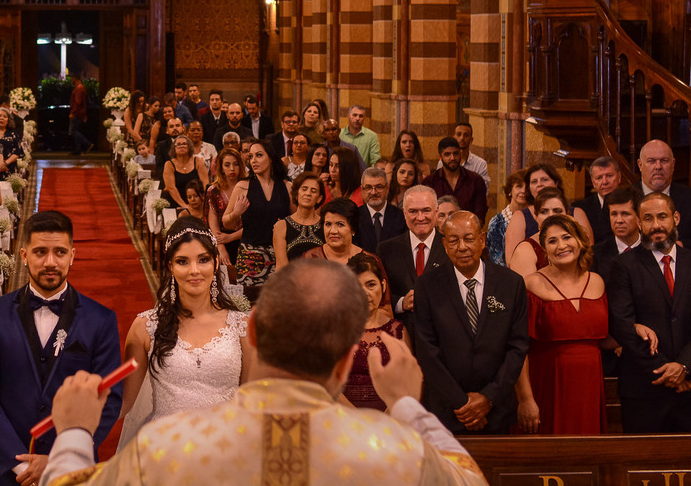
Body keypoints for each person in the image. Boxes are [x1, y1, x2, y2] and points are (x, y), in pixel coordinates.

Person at [39, 259, 487, 486]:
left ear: (251, 330)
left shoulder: (166, 447)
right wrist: (407, 406)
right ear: (345, 360)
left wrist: (75, 431)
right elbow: (468, 478)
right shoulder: (392, 452)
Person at [0, 210, 122, 486]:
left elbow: (109, 400)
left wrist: (57, 461)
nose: (50, 262)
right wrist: (20, 465)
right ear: (24, 255)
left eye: (60, 252)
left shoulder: (100, 320)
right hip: (5, 470)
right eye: (40, 252)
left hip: (71, 472)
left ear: (72, 255)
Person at [118, 218, 251, 441]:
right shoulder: (145, 327)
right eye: (182, 261)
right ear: (170, 266)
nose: (194, 270)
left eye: (203, 260)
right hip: (165, 446)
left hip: (224, 447)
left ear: (215, 262)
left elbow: (249, 404)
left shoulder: (242, 327)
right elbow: (124, 402)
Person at [415, 211, 528, 434]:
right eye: (454, 241)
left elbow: (517, 347)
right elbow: (427, 351)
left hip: (496, 410)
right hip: (447, 411)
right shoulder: (427, 285)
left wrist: (488, 398)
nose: (462, 247)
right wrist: (462, 404)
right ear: (444, 245)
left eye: (469, 238)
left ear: (482, 240)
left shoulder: (511, 284)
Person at [513, 213, 608, 435]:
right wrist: (525, 398)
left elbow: (608, 336)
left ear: (580, 241)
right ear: (544, 250)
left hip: (589, 384)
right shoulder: (531, 284)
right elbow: (517, 348)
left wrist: (637, 327)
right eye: (552, 241)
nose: (561, 245)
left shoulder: (597, 281)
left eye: (567, 237)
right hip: (547, 381)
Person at [606, 191, 691, 432]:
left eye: (662, 216)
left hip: (689, 386)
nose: (656, 226)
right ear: (639, 223)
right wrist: (666, 371)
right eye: (648, 218)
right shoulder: (623, 265)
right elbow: (622, 324)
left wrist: (684, 367)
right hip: (643, 390)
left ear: (676, 218)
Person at [221, 138, 293, 297]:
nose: (253, 160)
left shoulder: (287, 187)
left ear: (271, 157)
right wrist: (236, 213)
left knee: (278, 303)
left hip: (280, 256)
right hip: (250, 257)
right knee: (250, 304)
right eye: (251, 156)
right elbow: (226, 222)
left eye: (259, 155)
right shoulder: (243, 186)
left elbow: (295, 221)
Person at [377, 185, 449, 337]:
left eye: (426, 210)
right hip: (399, 336)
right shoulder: (386, 250)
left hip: (443, 337)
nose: (420, 217)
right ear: (404, 213)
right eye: (413, 211)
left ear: (436, 212)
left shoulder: (451, 248)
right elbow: (378, 295)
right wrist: (401, 303)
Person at [343, 252, 408, 411]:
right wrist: (357, 420)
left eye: (371, 285)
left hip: (390, 418)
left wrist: (384, 419)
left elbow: (406, 383)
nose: (365, 293)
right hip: (343, 417)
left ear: (383, 285)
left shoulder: (397, 331)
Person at [503, 162, 563, 259]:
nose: (539, 184)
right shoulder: (521, 217)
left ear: (556, 183)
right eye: (534, 181)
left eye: (544, 179)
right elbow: (512, 260)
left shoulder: (576, 212)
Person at [508, 187, 569, 277]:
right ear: (536, 217)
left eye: (557, 211)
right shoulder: (525, 250)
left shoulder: (575, 243)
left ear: (567, 215)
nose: (551, 216)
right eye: (544, 212)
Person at [423, 137, 488, 222]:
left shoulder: (475, 180)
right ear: (440, 157)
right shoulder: (430, 182)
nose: (452, 158)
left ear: (460, 154)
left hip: (467, 228)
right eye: (447, 154)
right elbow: (426, 214)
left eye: (455, 153)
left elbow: (480, 216)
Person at [271, 171, 325, 269]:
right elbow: (281, 267)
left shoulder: (326, 225)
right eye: (304, 189)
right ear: (296, 194)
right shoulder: (281, 226)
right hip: (290, 277)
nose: (308, 193)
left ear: (319, 198)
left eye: (313, 191)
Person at [633, 139, 691, 229]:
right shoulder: (625, 199)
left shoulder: (688, 198)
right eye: (651, 161)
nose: (658, 167)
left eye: (664, 161)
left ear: (673, 164)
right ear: (640, 165)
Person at [591, 187, 642, 280]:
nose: (619, 220)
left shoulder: (652, 249)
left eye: (625, 214)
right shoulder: (595, 254)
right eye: (614, 214)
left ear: (639, 217)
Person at [206, 147, 246, 265]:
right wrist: (221, 248)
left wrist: (231, 237)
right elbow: (213, 224)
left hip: (246, 238)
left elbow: (255, 224)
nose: (232, 169)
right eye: (227, 165)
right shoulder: (214, 190)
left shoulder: (248, 187)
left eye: (235, 164)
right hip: (221, 240)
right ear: (221, 168)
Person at [570, 156, 620, 245]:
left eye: (609, 176)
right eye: (599, 178)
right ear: (593, 183)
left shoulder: (631, 203)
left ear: (619, 177)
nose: (605, 182)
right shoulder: (580, 208)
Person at [355, 166, 406, 252]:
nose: (373, 192)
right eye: (368, 187)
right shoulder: (354, 217)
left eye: (379, 187)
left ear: (387, 188)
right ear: (362, 190)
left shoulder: (401, 217)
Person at [303, 198, 368, 265]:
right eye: (328, 224)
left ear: (353, 229)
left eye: (340, 224)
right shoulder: (311, 258)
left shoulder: (368, 262)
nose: (333, 231)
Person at [486, 169, 529, 266]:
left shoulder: (536, 218)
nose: (523, 191)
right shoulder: (496, 222)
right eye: (519, 186)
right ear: (510, 190)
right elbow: (495, 260)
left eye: (527, 187)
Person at [162, 135, 208, 214]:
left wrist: (202, 201)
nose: (181, 146)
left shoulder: (198, 161)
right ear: (174, 148)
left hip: (197, 201)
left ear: (189, 146)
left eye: (184, 144)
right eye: (178, 144)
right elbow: (171, 188)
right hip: (176, 202)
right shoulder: (169, 164)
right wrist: (184, 205)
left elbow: (205, 183)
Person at [68, 74, 93, 155]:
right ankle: (77, 150)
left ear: (75, 79)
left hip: (77, 112)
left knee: (74, 130)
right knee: (76, 130)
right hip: (80, 112)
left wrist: (72, 112)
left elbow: (78, 102)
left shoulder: (78, 88)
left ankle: (87, 143)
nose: (71, 80)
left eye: (72, 78)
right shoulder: (82, 88)